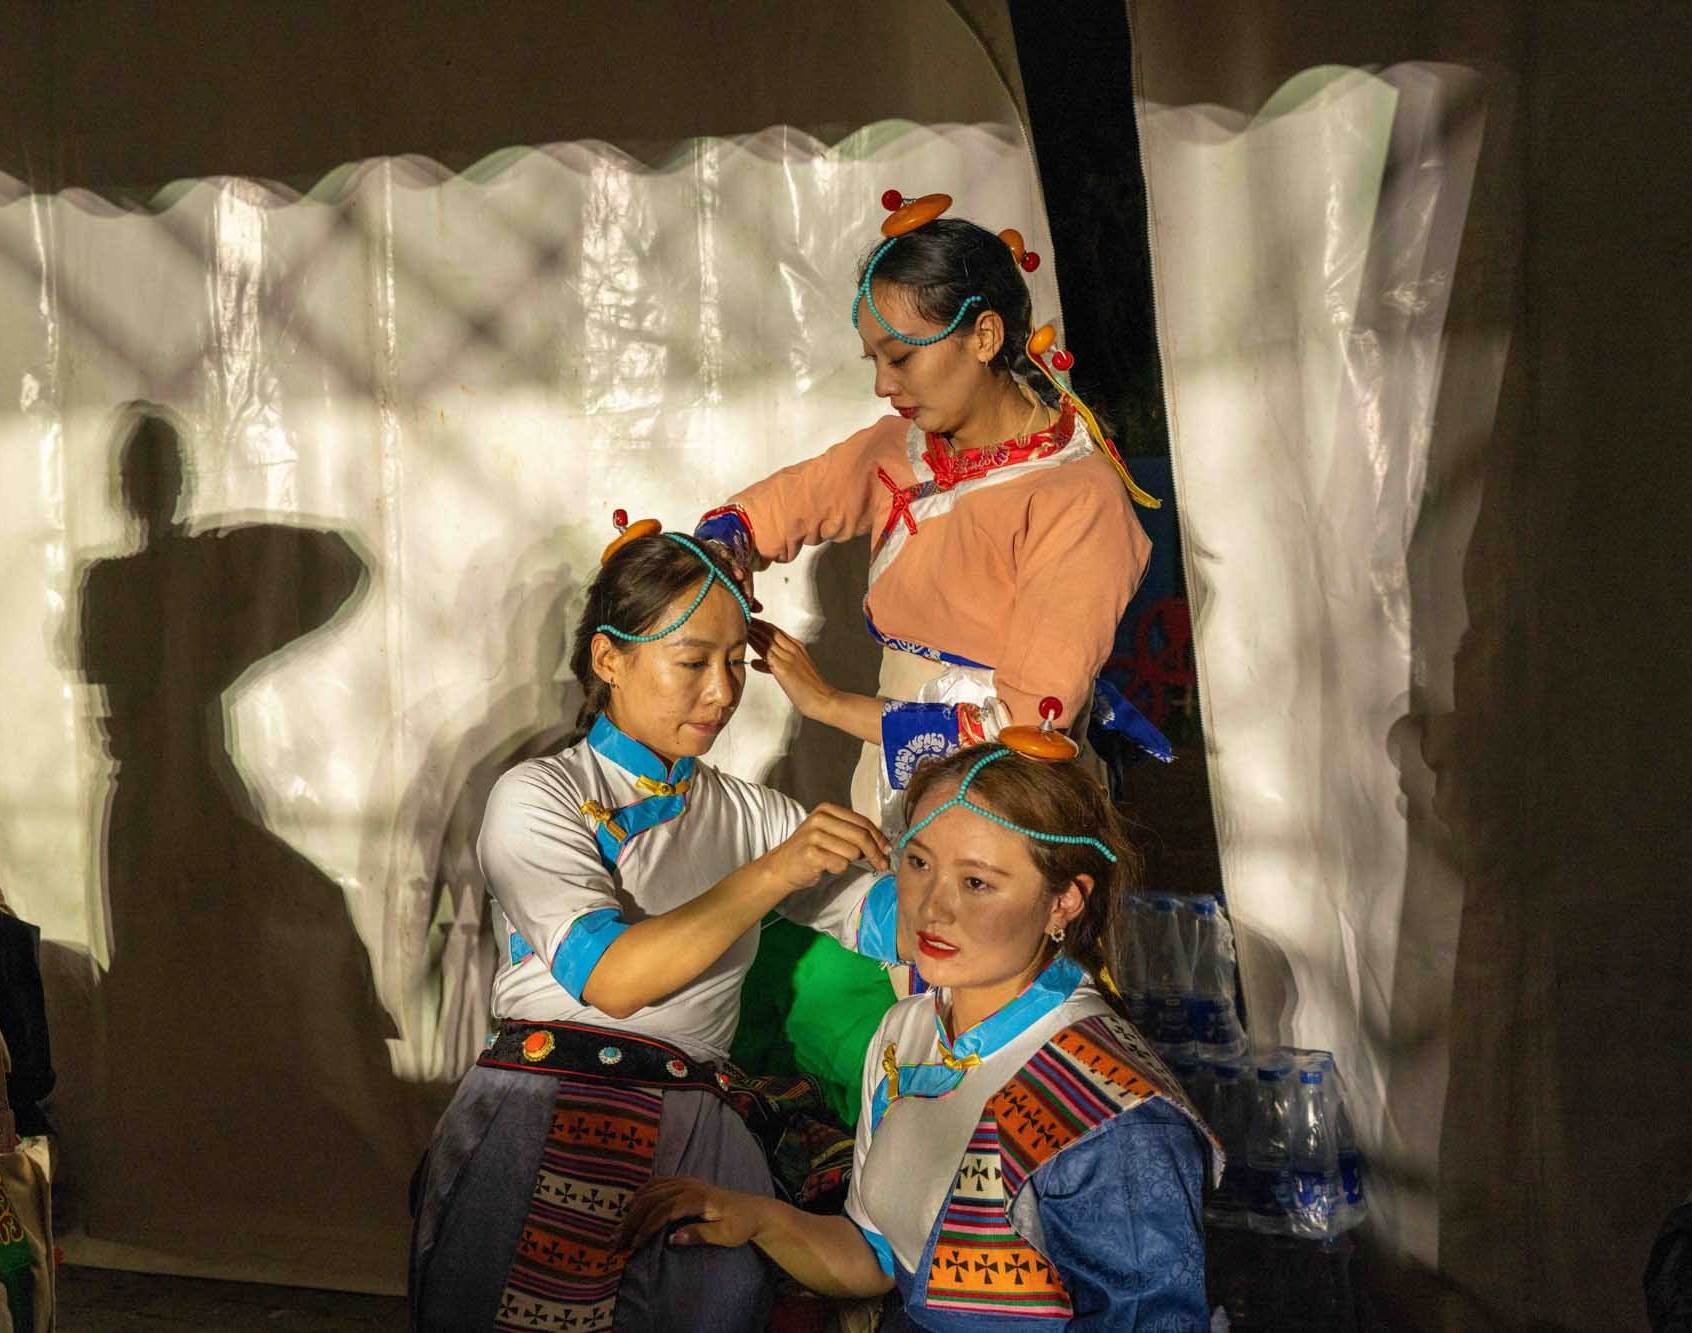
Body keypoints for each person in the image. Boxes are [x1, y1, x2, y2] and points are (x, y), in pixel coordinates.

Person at [408, 518, 903, 1332]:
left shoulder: (750, 813)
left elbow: (904, 926)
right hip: (542, 1110)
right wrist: (774, 871)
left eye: (737, 663)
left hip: (699, 1134)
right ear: (610, 659)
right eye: (694, 662)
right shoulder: (539, 797)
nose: (723, 692)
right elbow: (614, 980)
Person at [621, 738, 1218, 1329]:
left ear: (1064, 901)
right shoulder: (906, 1034)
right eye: (919, 862)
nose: (932, 908)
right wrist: (759, 1218)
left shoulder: (1112, 1113)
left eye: (977, 883)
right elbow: (878, 1258)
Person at [693, 191, 1168, 827]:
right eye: (875, 360)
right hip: (894, 769)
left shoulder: (1075, 497)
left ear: (985, 335)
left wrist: (830, 704)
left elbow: (1019, 730)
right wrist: (725, 549)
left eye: (902, 357)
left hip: (1009, 796)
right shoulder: (904, 447)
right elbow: (782, 506)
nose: (883, 385)